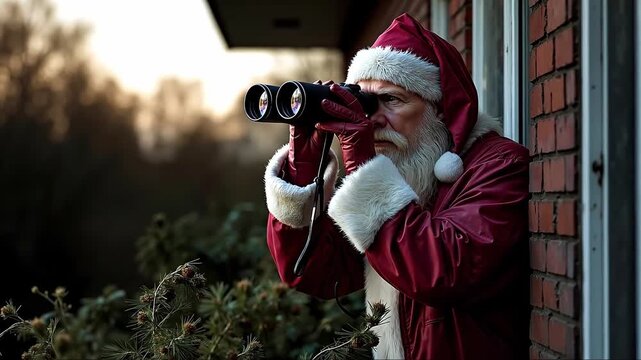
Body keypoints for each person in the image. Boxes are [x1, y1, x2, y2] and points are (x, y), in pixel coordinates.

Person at [263, 13, 529, 360]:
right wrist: (303, 171)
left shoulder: (499, 166)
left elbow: (447, 271)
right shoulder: (402, 177)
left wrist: (365, 170)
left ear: (443, 110)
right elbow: (315, 272)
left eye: (391, 100)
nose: (371, 119)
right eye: (365, 102)